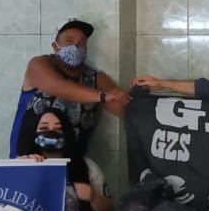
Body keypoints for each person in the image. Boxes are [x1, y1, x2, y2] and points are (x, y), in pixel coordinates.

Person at [10, 18, 131, 159]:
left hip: (73, 168)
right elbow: (59, 87)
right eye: (69, 40)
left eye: (82, 42)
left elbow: (127, 110)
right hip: (28, 161)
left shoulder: (95, 79)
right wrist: (103, 96)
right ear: (55, 47)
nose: (76, 46)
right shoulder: (39, 65)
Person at [17, 110, 114, 211]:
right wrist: (21, 167)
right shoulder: (23, 163)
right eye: (44, 128)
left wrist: (93, 197)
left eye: (58, 129)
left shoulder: (87, 166)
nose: (51, 132)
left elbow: (108, 209)